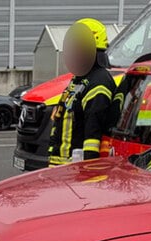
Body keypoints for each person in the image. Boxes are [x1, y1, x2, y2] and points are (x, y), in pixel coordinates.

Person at [48, 19, 116, 166]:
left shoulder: (99, 81)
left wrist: (88, 169)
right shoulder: (79, 79)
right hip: (60, 166)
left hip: (75, 169)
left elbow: (93, 130)